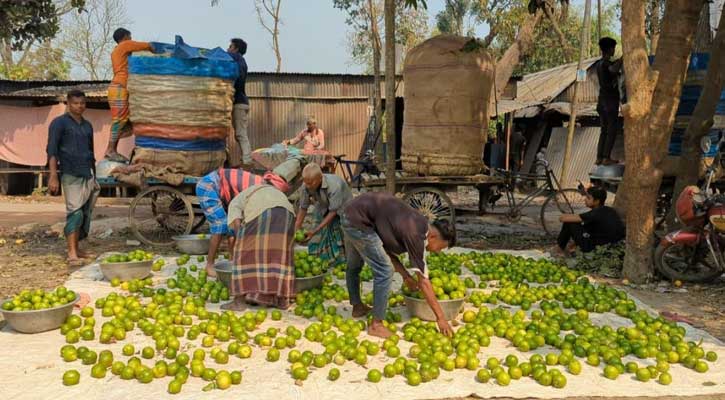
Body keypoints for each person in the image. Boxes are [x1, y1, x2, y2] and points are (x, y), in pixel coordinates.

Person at [341, 192, 457, 338]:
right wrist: (440, 318)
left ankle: (357, 307)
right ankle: (376, 325)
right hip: (359, 222)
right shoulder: (417, 235)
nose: (438, 252)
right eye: (440, 247)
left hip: (351, 213)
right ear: (433, 237)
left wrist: (406, 276)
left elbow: (383, 250)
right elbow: (423, 281)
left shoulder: (418, 223)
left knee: (354, 264)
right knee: (385, 271)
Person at [196, 169, 290, 277]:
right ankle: (210, 264)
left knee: (233, 227)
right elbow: (238, 221)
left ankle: (233, 259)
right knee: (220, 225)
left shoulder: (261, 189)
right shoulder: (255, 190)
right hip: (208, 186)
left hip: (225, 192)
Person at [47, 90, 100, 266]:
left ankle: (77, 248)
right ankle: (71, 253)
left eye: (83, 103)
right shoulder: (59, 123)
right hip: (70, 173)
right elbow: (52, 151)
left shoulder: (87, 126)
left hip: (87, 173)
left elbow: (90, 151)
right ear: (68, 104)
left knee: (85, 213)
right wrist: (53, 176)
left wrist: (95, 175)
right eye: (76, 103)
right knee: (75, 213)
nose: (80, 106)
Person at [222, 184, 296, 311]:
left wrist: (237, 248)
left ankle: (239, 301)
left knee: (244, 253)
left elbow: (237, 227)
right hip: (288, 213)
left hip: (263, 211)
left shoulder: (234, 203)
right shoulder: (259, 191)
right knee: (278, 256)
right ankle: (280, 299)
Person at [104, 28, 153, 162]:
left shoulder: (118, 51)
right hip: (119, 87)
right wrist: (157, 48)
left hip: (121, 87)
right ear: (125, 37)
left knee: (128, 123)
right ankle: (110, 150)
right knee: (119, 120)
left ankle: (112, 150)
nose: (131, 40)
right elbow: (145, 46)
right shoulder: (123, 45)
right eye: (130, 37)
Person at [294, 163, 352, 266]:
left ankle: (340, 262)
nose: (307, 185)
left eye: (310, 183)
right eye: (305, 182)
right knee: (316, 235)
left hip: (343, 209)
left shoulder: (335, 186)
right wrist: (295, 229)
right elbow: (303, 208)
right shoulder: (306, 185)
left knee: (338, 234)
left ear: (319, 179)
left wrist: (315, 230)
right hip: (323, 205)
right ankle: (318, 259)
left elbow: (333, 212)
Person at [554, 186, 625, 256]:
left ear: (597, 201)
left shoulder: (595, 213)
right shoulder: (609, 210)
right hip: (610, 248)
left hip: (597, 249)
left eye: (588, 198)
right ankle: (569, 247)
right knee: (581, 225)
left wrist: (566, 216)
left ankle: (559, 250)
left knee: (570, 223)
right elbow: (587, 228)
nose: (585, 200)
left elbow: (562, 219)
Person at [595, 37, 624, 166]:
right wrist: (622, 60)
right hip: (609, 103)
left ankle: (599, 157)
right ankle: (606, 157)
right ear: (609, 49)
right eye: (613, 48)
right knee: (611, 130)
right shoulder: (606, 64)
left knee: (604, 130)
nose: (614, 50)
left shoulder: (599, 63)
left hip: (602, 102)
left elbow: (612, 67)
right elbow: (613, 69)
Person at [227, 38, 252, 166]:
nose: (228, 49)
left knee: (241, 134)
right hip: (239, 103)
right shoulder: (239, 61)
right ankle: (245, 160)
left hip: (240, 103)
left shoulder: (237, 59)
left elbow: (224, 55)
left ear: (236, 49)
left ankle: (247, 161)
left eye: (230, 46)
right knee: (238, 134)